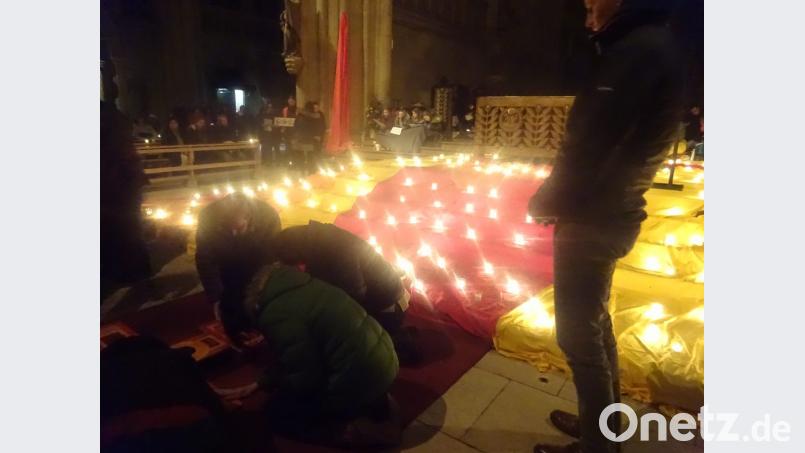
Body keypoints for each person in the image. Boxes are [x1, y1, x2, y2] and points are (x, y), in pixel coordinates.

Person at [528, 1, 684, 452]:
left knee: (577, 335)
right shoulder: (655, 44)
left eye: (592, 1)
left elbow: (589, 142)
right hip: (612, 210)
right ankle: (603, 428)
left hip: (593, 216)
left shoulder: (637, 50)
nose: (587, 11)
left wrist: (546, 200)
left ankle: (600, 445)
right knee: (596, 325)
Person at [218, 263, 402, 448]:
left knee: (275, 415)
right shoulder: (291, 283)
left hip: (363, 373)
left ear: (246, 330)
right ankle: (375, 403)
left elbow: (305, 378)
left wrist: (278, 388)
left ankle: (351, 429)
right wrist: (262, 382)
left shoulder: (275, 316)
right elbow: (296, 354)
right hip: (384, 357)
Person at [273, 221, 420, 363]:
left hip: (388, 309)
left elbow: (354, 295)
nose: (299, 267)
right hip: (383, 300)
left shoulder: (336, 248)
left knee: (343, 345)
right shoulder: (319, 240)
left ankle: (396, 340)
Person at [195, 193, 282, 318]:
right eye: (229, 228)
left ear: (248, 218)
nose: (234, 233)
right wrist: (217, 299)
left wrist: (261, 290)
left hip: (256, 262)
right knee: (230, 309)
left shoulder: (268, 216)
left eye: (239, 228)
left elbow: (271, 257)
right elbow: (205, 259)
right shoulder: (208, 216)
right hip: (225, 266)